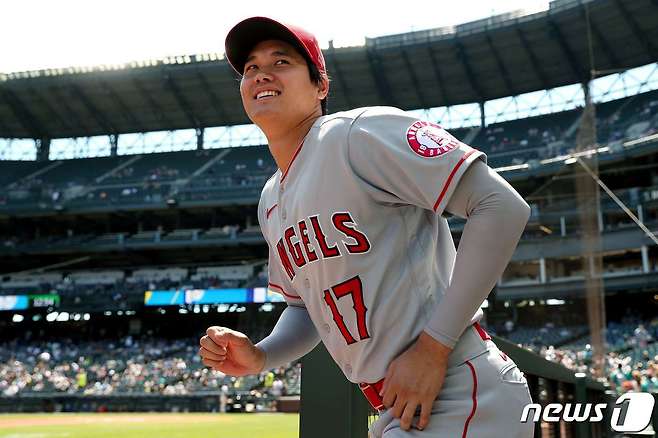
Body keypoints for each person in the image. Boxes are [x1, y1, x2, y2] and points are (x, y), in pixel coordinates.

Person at [199, 16, 533, 437]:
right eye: (249, 68)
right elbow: (304, 309)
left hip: (456, 386)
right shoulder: (271, 200)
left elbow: (500, 204)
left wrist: (434, 346)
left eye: (281, 61)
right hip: (400, 404)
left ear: (321, 86)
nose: (260, 72)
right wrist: (262, 356)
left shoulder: (357, 134)